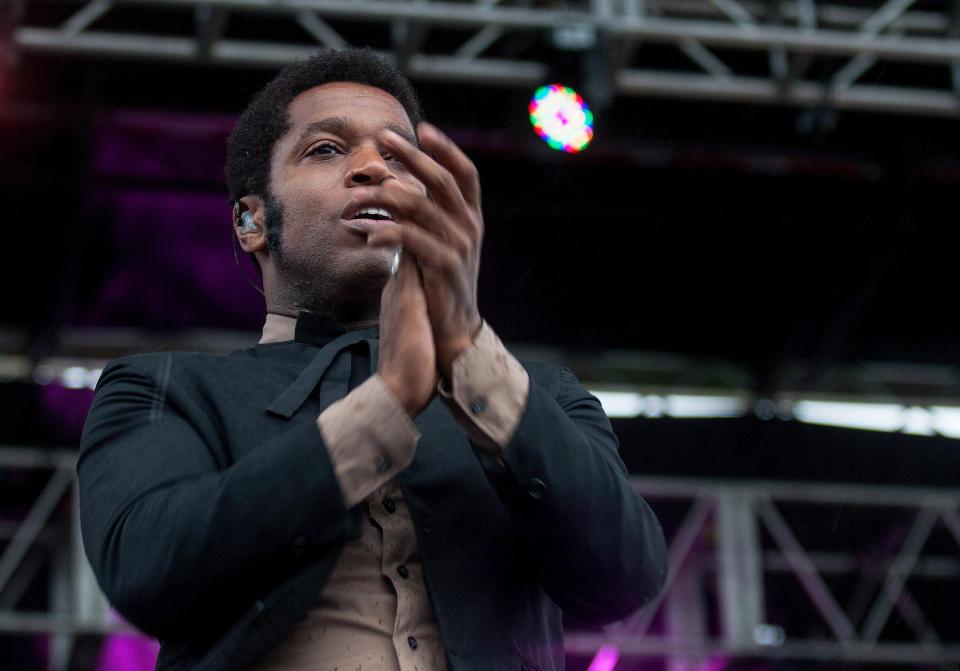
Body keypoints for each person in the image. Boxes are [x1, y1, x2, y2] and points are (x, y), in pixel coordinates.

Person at [78, 48, 667, 671]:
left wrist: (469, 352)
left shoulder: (543, 396)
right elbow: (147, 571)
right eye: (327, 149)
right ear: (252, 221)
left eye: (397, 155)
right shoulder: (160, 387)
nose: (371, 169)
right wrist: (382, 408)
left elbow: (624, 580)